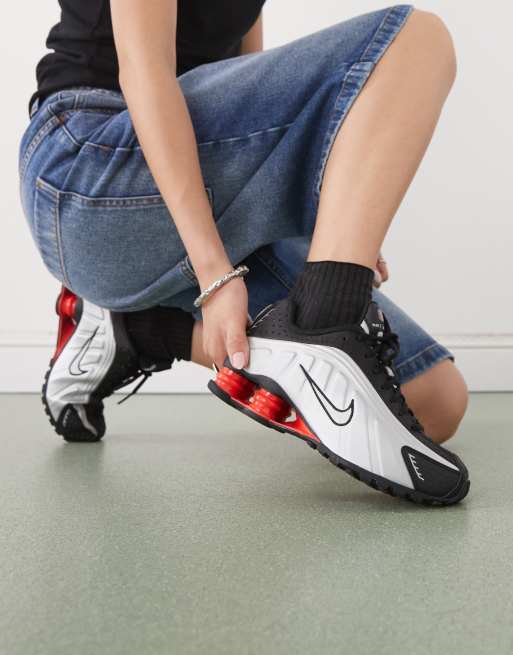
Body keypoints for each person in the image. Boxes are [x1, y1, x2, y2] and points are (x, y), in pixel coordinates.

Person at [18, 1, 470, 504]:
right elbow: (146, 76)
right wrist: (214, 273)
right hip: (91, 175)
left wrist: (348, 217)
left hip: (193, 185)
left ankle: (137, 330)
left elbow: (249, 84)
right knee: (418, 41)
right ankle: (324, 325)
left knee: (436, 401)